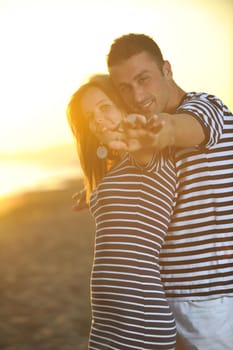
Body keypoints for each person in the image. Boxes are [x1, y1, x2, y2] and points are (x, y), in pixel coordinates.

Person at [104, 33, 233, 350]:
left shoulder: (207, 109)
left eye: (143, 79)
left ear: (167, 69)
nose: (137, 95)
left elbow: (177, 128)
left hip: (211, 301)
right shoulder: (142, 141)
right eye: (126, 88)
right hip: (162, 303)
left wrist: (158, 133)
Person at [67, 74, 178, 349]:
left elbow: (144, 149)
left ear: (123, 103)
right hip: (109, 317)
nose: (99, 120)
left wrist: (136, 130)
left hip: (139, 314)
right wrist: (91, 194)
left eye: (105, 107)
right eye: (90, 117)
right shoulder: (117, 169)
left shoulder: (149, 154)